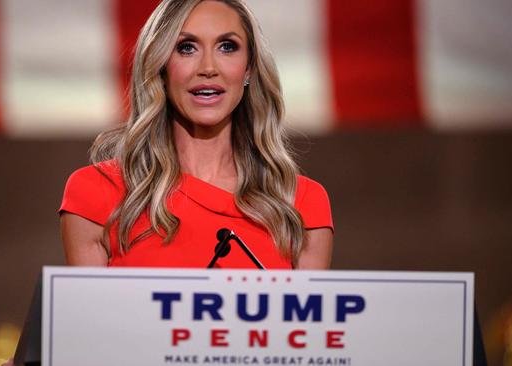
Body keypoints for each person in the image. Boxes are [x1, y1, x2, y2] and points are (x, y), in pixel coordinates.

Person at [59, 0, 333, 270]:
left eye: (227, 47)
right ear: (161, 67)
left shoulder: (300, 203)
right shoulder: (96, 192)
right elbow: (89, 315)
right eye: (186, 48)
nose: (208, 68)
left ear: (249, 69)